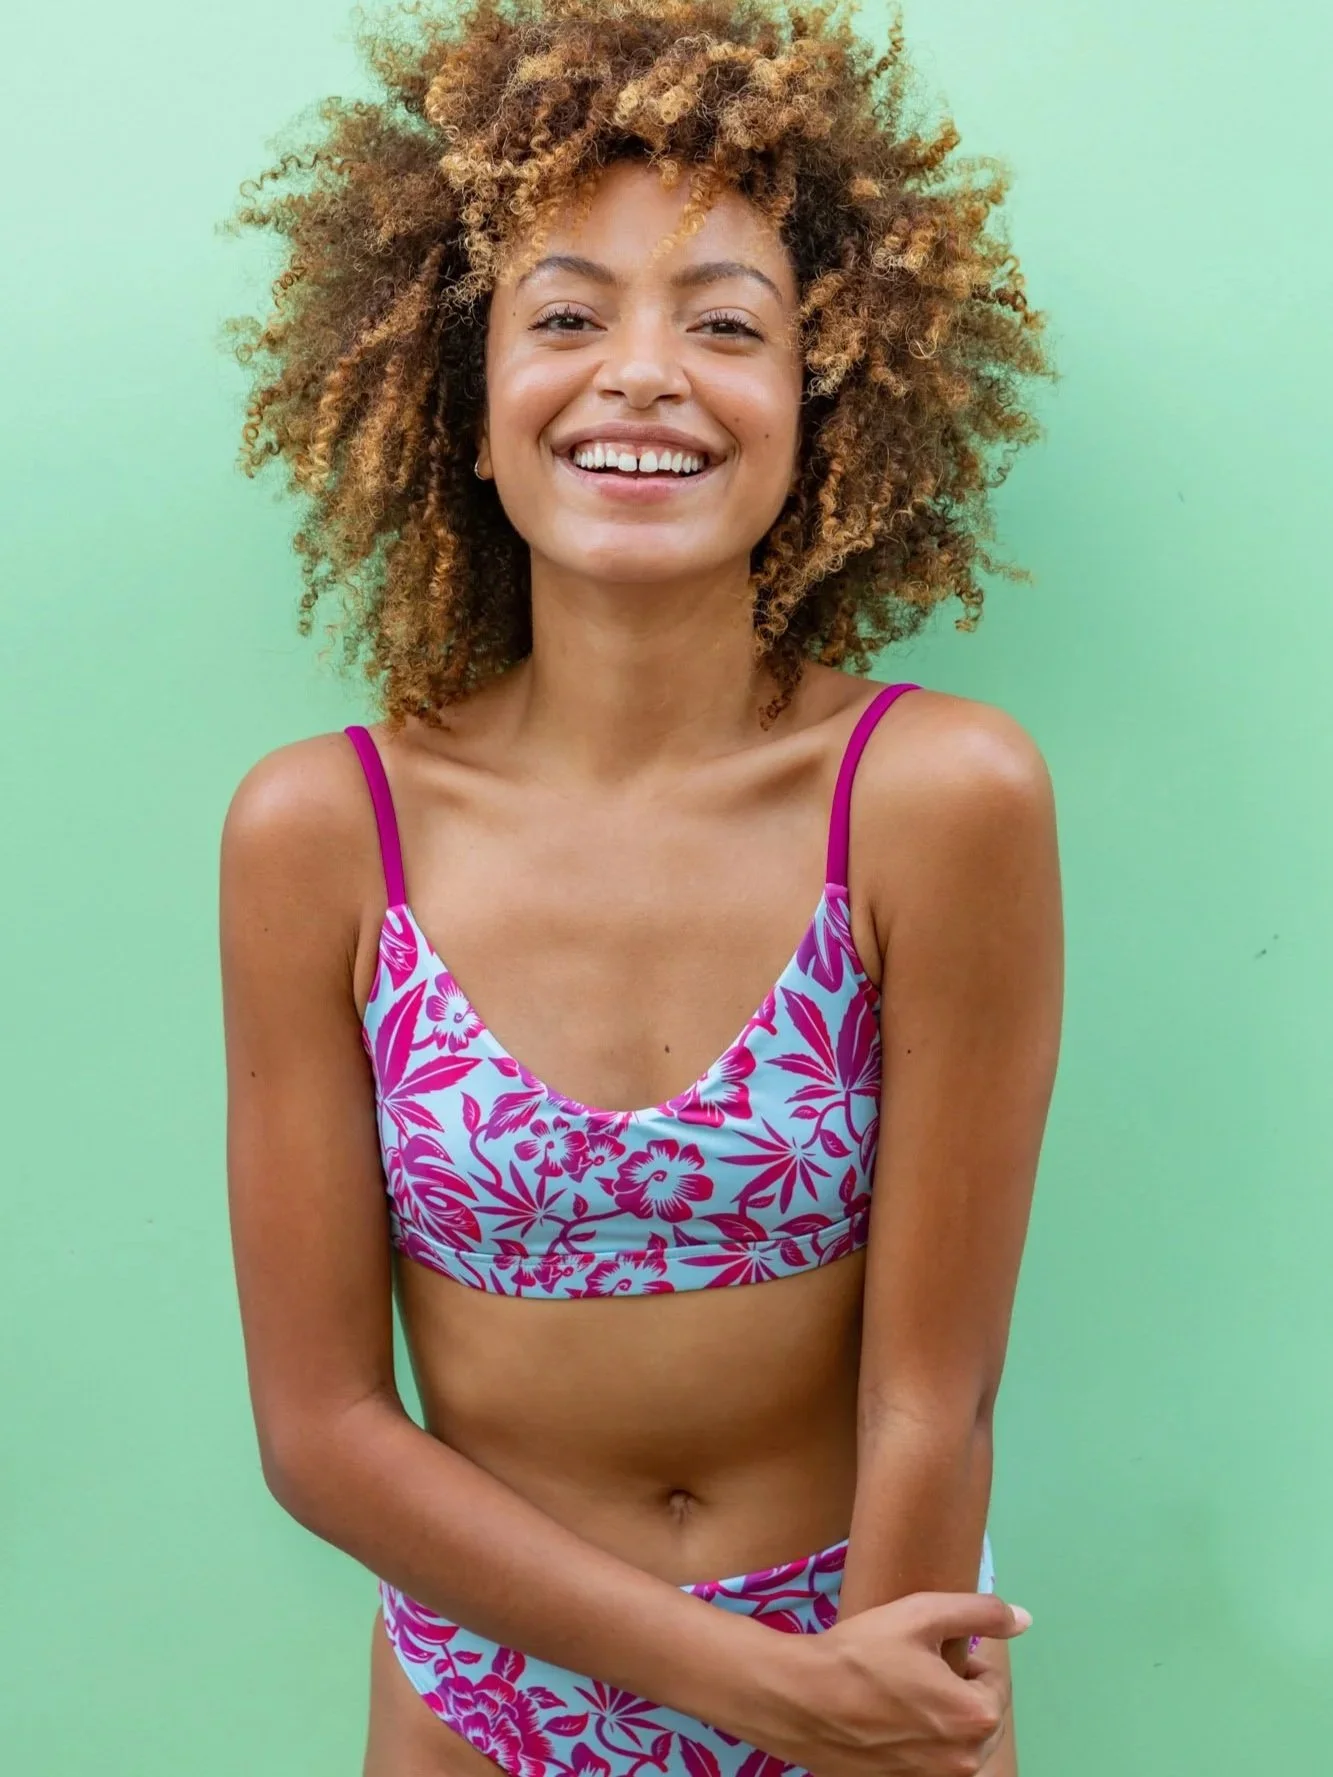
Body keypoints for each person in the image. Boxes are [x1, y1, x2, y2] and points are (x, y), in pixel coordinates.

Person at [218, 2, 1062, 1772]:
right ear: (470, 401)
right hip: (483, 1694)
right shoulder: (321, 834)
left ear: (815, 407)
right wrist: (748, 1688)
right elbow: (322, 1426)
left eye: (728, 323)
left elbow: (932, 1393)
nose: (644, 372)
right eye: (568, 317)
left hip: (873, 1639)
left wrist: (851, 1711)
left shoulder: (933, 798)